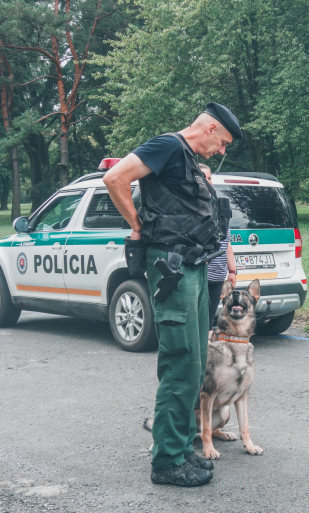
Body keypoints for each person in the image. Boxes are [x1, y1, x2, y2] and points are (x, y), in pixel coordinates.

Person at [104, 102, 242, 486]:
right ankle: (166, 462)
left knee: (196, 365)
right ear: (210, 128)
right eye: (224, 142)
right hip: (172, 266)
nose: (222, 151)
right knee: (180, 364)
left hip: (195, 266)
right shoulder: (166, 145)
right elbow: (115, 179)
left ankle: (183, 450)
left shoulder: (187, 158)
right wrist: (139, 226)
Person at [201, 163, 237, 328]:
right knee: (196, 321)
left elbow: (226, 242)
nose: (207, 182)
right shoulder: (191, 207)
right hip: (199, 277)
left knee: (208, 321)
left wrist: (232, 271)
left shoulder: (219, 207)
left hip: (217, 277)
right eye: (202, 177)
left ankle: (206, 352)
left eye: (209, 178)